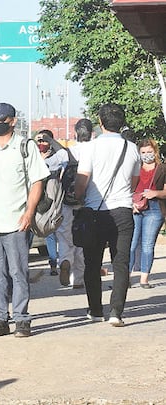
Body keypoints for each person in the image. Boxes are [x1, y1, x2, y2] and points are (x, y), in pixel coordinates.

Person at [0, 103, 50, 338]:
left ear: (12, 121)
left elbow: (38, 182)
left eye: (1, 119)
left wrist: (28, 213)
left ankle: (22, 318)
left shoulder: (25, 147)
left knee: (18, 272)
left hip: (16, 223)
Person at [74, 103, 140, 327]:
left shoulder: (90, 148)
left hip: (95, 212)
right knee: (121, 262)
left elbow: (82, 181)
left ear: (100, 123)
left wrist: (79, 195)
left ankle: (95, 310)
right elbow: (134, 182)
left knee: (92, 263)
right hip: (123, 211)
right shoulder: (131, 148)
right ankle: (116, 313)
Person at [56, 118, 93, 288]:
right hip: (89, 201)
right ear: (92, 133)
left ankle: (64, 261)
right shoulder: (95, 150)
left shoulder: (67, 152)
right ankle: (78, 279)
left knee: (65, 236)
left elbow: (49, 167)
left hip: (67, 201)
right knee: (84, 240)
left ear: (75, 133)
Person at [129, 138, 164, 288]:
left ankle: (144, 279)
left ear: (155, 151)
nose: (146, 155)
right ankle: (126, 279)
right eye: (143, 152)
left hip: (154, 209)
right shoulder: (135, 168)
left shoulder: (162, 169)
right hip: (135, 208)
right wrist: (131, 203)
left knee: (147, 245)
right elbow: (127, 187)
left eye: (149, 152)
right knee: (130, 244)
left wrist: (155, 193)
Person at [34, 129, 69, 277]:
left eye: (44, 140)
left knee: (52, 231)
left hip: (51, 197)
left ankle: (55, 263)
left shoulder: (57, 157)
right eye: (39, 141)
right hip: (36, 198)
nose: (41, 143)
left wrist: (52, 141)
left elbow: (65, 155)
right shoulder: (33, 157)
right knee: (38, 232)